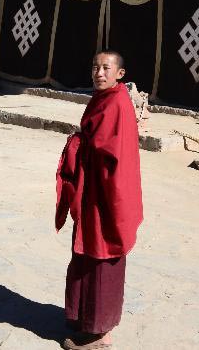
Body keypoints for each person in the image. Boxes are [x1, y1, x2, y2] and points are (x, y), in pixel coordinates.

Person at [56, 51, 143, 349]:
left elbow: (113, 155)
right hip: (93, 192)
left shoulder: (117, 103)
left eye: (106, 68)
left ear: (120, 73)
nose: (99, 72)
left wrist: (80, 145)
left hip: (106, 196)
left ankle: (100, 333)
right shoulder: (102, 98)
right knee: (85, 254)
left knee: (102, 256)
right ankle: (83, 320)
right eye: (95, 66)